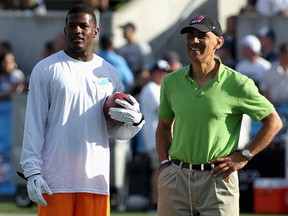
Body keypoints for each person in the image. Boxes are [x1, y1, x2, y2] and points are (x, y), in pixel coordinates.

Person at [19, 4, 144, 216]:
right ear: (65, 30)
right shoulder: (45, 69)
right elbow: (34, 124)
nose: (78, 30)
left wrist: (135, 122)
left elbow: (115, 131)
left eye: (84, 26)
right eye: (72, 26)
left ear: (95, 31)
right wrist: (32, 171)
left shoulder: (110, 72)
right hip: (55, 180)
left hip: (94, 178)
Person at [156, 15, 282, 216]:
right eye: (190, 35)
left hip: (218, 180)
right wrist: (164, 164)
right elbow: (163, 125)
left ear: (219, 42)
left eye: (201, 36)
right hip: (176, 180)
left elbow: (274, 122)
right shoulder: (171, 81)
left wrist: (245, 156)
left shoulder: (238, 83)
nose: (193, 41)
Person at [139, 59, 171, 211]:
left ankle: (159, 203)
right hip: (155, 137)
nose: (163, 74)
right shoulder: (151, 88)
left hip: (161, 136)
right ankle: (155, 202)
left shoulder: (159, 87)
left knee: (161, 169)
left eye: (165, 72)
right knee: (160, 169)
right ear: (153, 73)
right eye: (160, 72)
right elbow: (162, 111)